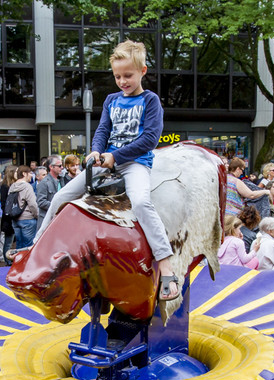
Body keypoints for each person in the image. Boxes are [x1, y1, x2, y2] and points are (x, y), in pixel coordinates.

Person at [34, 40, 181, 301]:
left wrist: (115, 156)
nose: (122, 81)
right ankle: (36, 248)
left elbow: (149, 139)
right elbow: (103, 130)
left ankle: (166, 264)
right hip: (107, 160)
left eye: (128, 75)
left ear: (142, 71)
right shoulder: (112, 100)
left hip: (135, 162)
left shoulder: (150, 100)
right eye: (117, 76)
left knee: (142, 202)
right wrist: (96, 150)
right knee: (60, 197)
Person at [8, 164, 39, 250]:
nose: (31, 175)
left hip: (15, 219)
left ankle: (18, 262)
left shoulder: (12, 186)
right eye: (30, 173)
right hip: (28, 219)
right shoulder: (27, 186)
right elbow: (32, 204)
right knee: (28, 247)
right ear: (24, 174)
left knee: (19, 245)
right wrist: (37, 215)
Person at [36, 155, 61, 230]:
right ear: (51, 167)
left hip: (57, 220)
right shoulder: (44, 182)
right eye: (59, 166)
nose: (61, 168)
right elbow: (41, 202)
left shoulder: (61, 180)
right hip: (46, 221)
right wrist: (57, 206)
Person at [0, 166, 17, 265]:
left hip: (12, 217)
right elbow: (4, 203)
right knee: (8, 241)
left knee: (11, 240)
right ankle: (7, 261)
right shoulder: (5, 186)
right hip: (8, 218)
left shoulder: (13, 185)